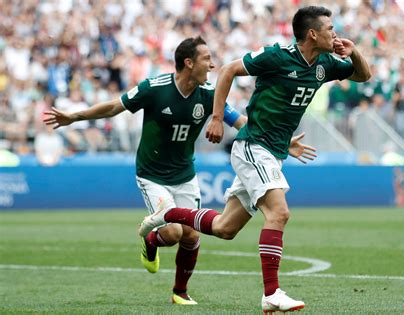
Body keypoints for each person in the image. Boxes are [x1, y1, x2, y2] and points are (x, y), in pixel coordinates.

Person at [44, 36, 315, 306]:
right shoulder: (155, 87)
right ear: (188, 62)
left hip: (185, 173)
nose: (211, 65)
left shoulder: (208, 94)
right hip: (152, 174)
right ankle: (151, 240)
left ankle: (180, 292)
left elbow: (238, 120)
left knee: (192, 235)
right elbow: (116, 106)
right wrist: (74, 117)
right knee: (173, 233)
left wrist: (276, 140)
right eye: (206, 59)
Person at [138, 6, 371, 313]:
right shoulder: (278, 56)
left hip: (273, 152)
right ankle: (271, 293)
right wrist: (218, 117)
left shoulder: (325, 64)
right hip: (252, 146)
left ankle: (168, 215)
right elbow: (228, 70)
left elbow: (363, 75)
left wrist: (353, 53)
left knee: (225, 228)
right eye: (330, 28)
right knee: (279, 212)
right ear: (312, 33)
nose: (335, 33)